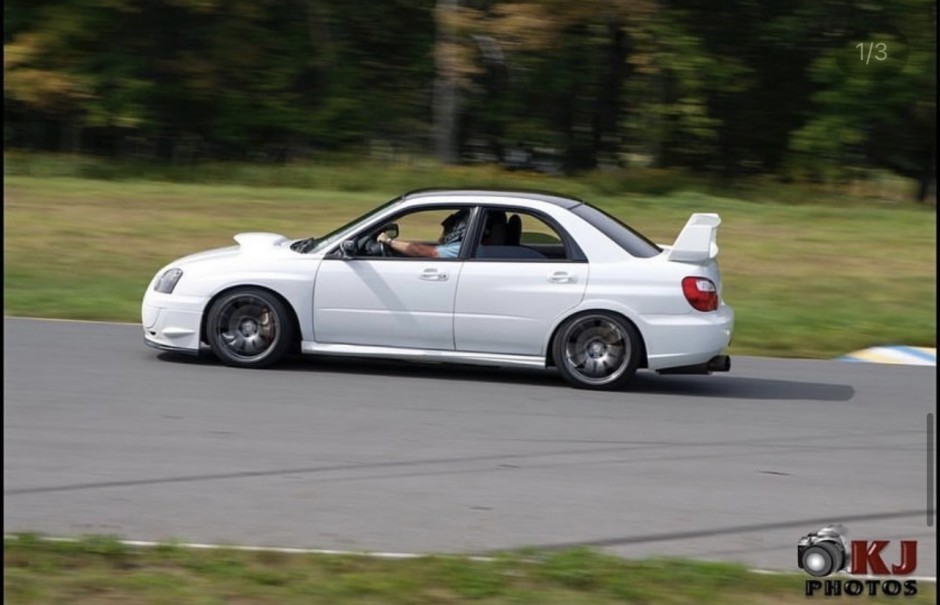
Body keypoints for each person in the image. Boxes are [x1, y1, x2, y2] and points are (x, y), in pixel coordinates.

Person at [377, 209, 469, 258]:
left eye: (449, 229)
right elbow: (440, 241)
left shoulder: (459, 248)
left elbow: (420, 251)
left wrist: (389, 241)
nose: (443, 235)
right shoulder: (468, 244)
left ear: (459, 229)